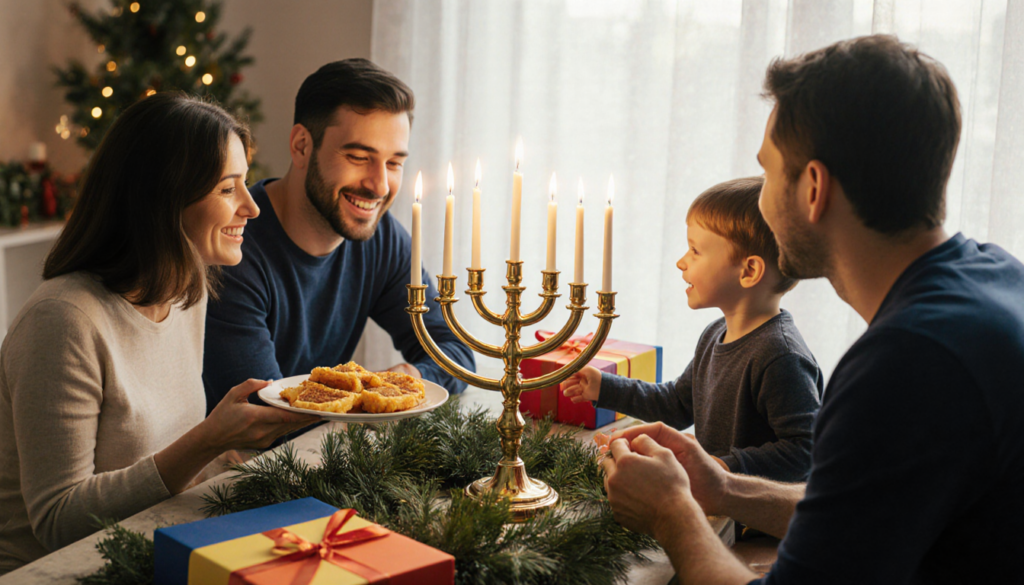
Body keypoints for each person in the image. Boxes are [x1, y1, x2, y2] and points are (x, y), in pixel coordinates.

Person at [600, 34, 1024, 584]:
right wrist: (722, 487)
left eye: (770, 172)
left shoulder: (909, 363)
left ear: (814, 188)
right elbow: (863, 511)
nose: (762, 197)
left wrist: (672, 513)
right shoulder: (995, 277)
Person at [0, 93, 319, 573]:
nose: (252, 208)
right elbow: (58, 521)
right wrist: (208, 440)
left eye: (246, 185)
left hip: (159, 545)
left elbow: (167, 465)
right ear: (166, 199)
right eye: (228, 189)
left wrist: (239, 450)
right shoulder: (64, 321)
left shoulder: (183, 295)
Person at [202, 58, 474, 412]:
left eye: (394, 163)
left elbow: (456, 355)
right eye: (360, 156)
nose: (379, 185)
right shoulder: (233, 246)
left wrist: (405, 379)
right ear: (301, 146)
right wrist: (372, 399)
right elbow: (263, 416)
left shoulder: (383, 239)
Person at [563, 177, 822, 482]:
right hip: (719, 505)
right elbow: (677, 404)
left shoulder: (780, 356)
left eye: (695, 251)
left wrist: (721, 468)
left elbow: (806, 451)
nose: (680, 262)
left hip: (756, 525)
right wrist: (605, 387)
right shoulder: (715, 334)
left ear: (749, 271)